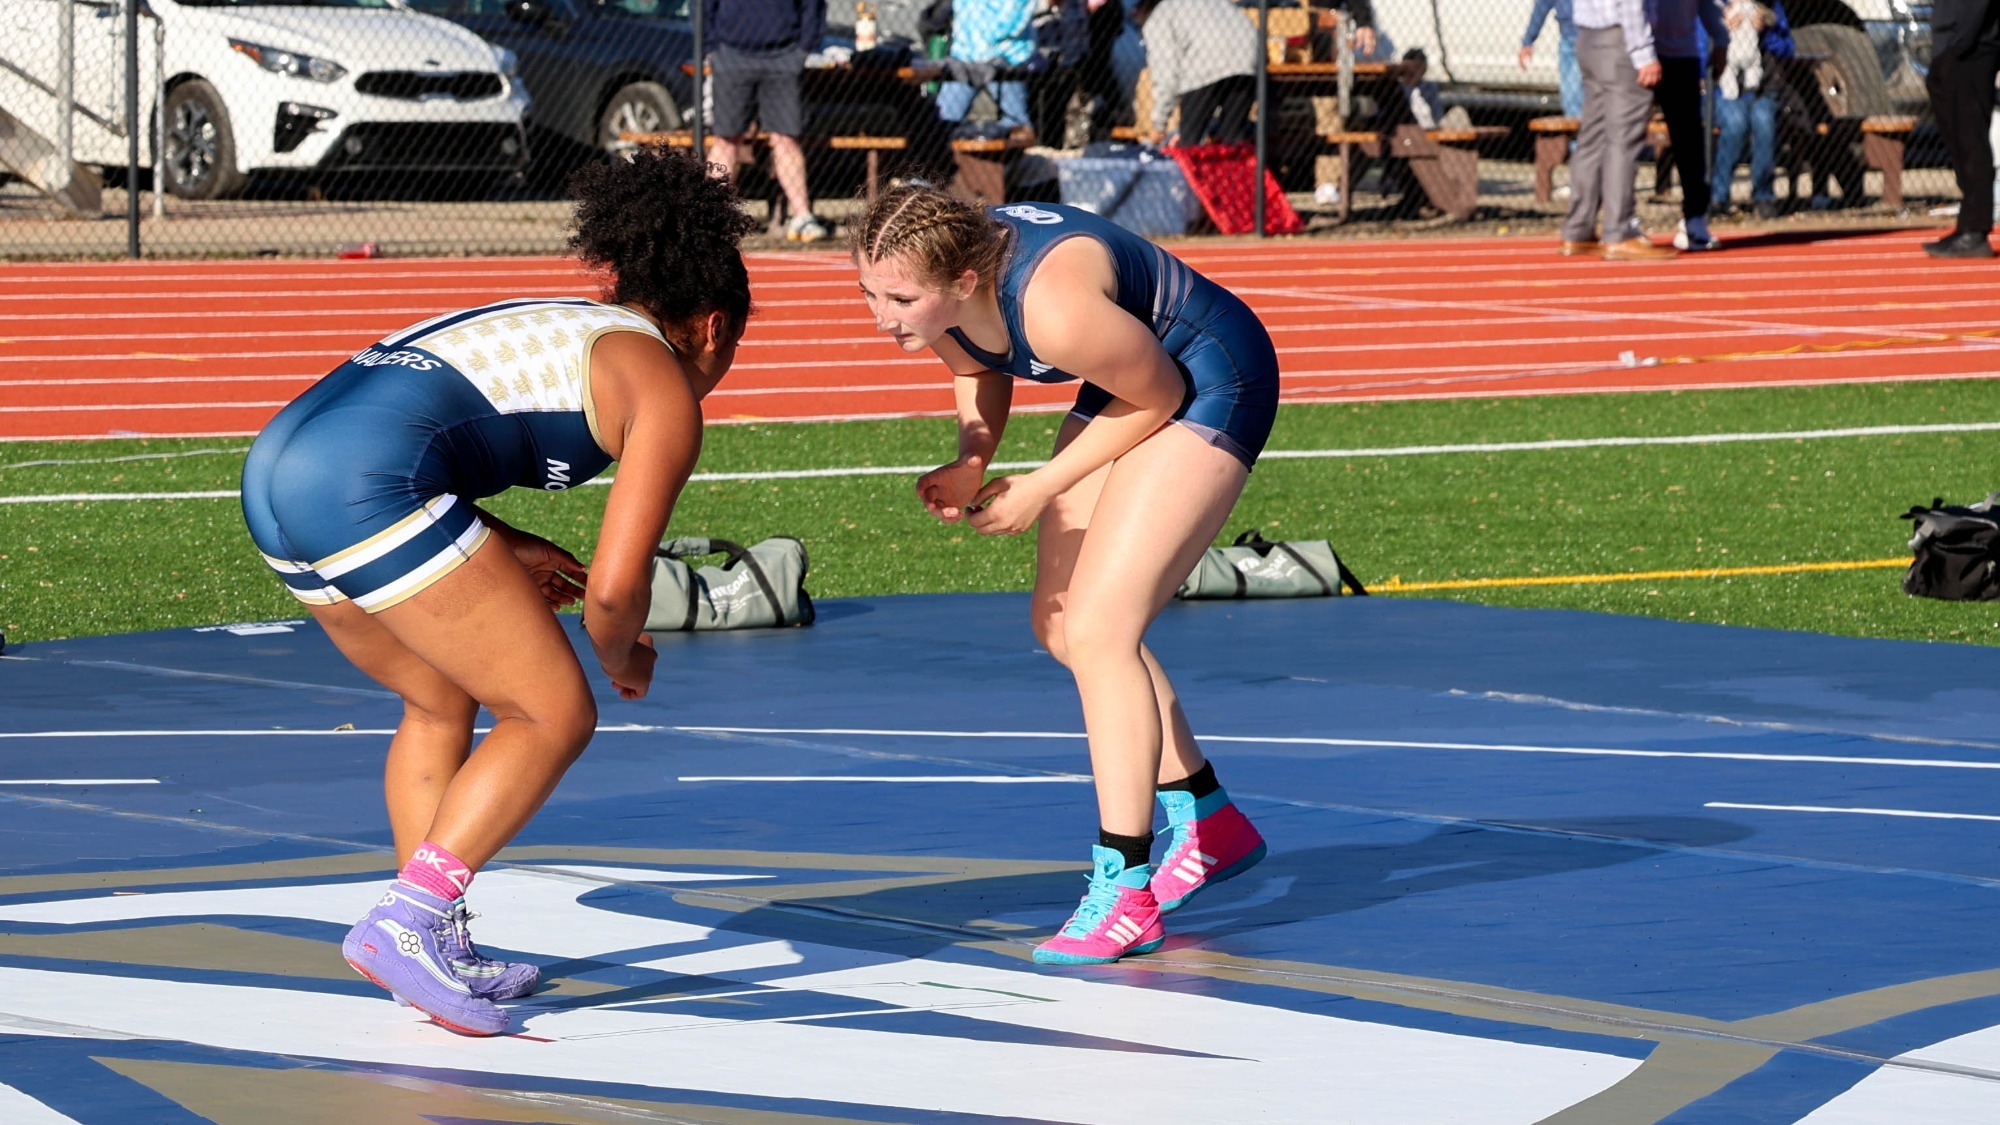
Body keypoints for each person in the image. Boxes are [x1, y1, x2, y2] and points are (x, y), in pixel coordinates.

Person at [239, 147, 755, 1036]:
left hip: (277, 474)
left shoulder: (567, 321)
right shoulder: (664, 385)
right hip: (366, 485)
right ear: (713, 327)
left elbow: (427, 425)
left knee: (439, 696)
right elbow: (614, 590)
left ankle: (428, 938)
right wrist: (623, 654)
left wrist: (507, 544)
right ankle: (409, 921)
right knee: (555, 712)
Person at [851, 188, 1275, 965]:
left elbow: (1164, 394)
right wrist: (973, 456)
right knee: (1061, 625)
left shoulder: (1053, 309)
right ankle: (1207, 816)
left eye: (900, 300)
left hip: (1207, 377)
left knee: (1102, 630)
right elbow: (977, 358)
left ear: (965, 281)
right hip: (1134, 374)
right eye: (869, 294)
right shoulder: (952, 285)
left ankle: (1127, 890)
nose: (883, 317)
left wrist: (1040, 487)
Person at [704, 0, 831, 243]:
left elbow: (813, 6)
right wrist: (712, 48)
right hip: (730, 55)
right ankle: (710, 215)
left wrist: (804, 48)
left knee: (786, 138)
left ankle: (802, 216)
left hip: (784, 56)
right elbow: (702, 7)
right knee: (726, 138)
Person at [1561, 0, 1677, 258]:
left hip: (1588, 36)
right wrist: (1643, 53)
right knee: (1623, 141)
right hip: (1620, 39)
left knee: (1592, 138)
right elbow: (1630, 4)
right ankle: (1619, 231)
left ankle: (1577, 229)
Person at [1924, 0, 2000, 258]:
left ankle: (1975, 230)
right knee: (1959, 139)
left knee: (1971, 139)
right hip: (1953, 45)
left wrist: (1959, 43)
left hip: (1971, 49)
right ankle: (1967, 225)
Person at [1707, 0, 1792, 222]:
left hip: (1762, 90)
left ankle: (1763, 195)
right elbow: (1697, 48)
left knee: (1764, 122)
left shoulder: (1768, 6)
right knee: (1736, 123)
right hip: (1721, 91)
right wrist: (1720, 30)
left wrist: (1766, 30)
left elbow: (1787, 48)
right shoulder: (1711, 5)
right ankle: (1718, 196)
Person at [1652, 0, 1728, 250]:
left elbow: (1708, 4)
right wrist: (1640, 52)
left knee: (1690, 142)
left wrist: (1721, 39)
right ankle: (1619, 223)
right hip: (1640, 56)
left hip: (1682, 55)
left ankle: (1695, 220)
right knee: (1624, 139)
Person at [1133, 0, 1260, 146]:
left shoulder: (1157, 19)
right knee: (1233, 137)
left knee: (1190, 141)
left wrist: (1159, 125)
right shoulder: (1208, 4)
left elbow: (1166, 75)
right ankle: (1237, 158)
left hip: (1206, 63)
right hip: (1248, 58)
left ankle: (1190, 157)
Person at [938, 0, 1039, 137]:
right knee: (944, 118)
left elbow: (1015, 18)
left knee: (1016, 124)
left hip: (1008, 55)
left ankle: (1014, 148)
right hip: (964, 56)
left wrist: (986, 41)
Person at [1519, 0, 1583, 121]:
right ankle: (1577, 128)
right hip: (1567, 38)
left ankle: (1580, 130)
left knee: (1574, 95)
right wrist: (1528, 40)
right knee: (1569, 94)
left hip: (1587, 35)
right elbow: (1542, 5)